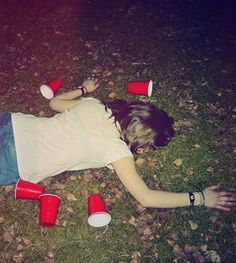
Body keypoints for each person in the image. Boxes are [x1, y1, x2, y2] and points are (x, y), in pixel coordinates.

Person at [0, 77, 235, 211]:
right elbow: (147, 197)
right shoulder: (117, 151)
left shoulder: (94, 105)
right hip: (15, 160)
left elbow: (54, 103)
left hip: (11, 123)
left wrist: (83, 90)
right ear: (141, 143)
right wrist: (200, 198)